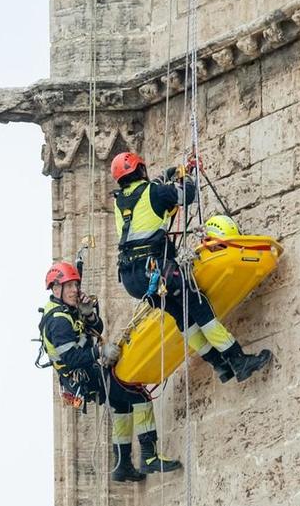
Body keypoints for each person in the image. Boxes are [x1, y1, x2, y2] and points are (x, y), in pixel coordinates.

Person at [109, 151, 273, 383]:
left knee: (182, 317)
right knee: (199, 307)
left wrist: (167, 175)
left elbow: (149, 193)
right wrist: (187, 176)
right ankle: (238, 360)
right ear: (141, 170)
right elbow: (187, 195)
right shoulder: (153, 192)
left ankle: (219, 366)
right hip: (156, 269)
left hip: (133, 279)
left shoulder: (120, 202)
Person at [40, 260, 179, 481]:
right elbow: (72, 358)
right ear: (56, 289)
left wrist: (89, 315)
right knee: (139, 394)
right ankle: (149, 457)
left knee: (122, 404)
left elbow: (97, 330)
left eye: (76, 285)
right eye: (69, 286)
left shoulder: (68, 309)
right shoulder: (58, 321)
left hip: (89, 373)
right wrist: (100, 351)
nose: (76, 290)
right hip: (85, 375)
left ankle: (122, 465)